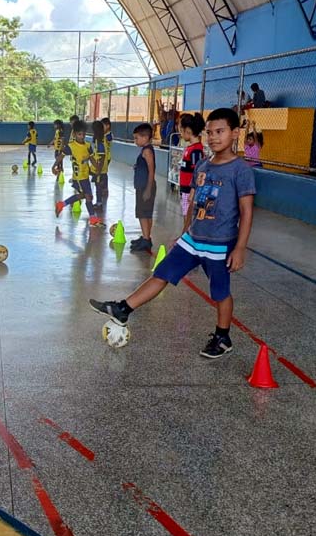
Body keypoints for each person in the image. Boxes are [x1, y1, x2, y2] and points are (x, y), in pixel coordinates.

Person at [90, 108, 255, 359]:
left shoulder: (240, 170)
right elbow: (196, 202)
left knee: (220, 292)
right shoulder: (203, 164)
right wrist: (184, 231)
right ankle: (123, 308)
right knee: (161, 273)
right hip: (192, 239)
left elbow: (246, 211)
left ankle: (223, 337)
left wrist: (240, 247)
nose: (213, 137)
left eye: (220, 132)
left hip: (219, 244)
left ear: (234, 133)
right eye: (209, 132)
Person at [55, 120, 104, 227]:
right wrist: (54, 166)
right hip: (78, 177)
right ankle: (92, 218)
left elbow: (91, 158)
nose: (82, 136)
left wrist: (98, 169)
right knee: (88, 197)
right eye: (79, 134)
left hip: (85, 176)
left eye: (84, 134)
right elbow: (61, 156)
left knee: (82, 196)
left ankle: (61, 204)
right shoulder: (71, 146)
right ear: (74, 134)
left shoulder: (87, 145)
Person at [129, 122, 156, 252]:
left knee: (143, 214)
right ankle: (146, 237)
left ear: (145, 138)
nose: (135, 141)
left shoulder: (147, 151)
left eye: (137, 138)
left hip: (145, 187)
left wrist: (148, 189)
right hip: (142, 186)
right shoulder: (145, 150)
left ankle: (146, 239)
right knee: (144, 213)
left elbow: (151, 170)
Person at [178, 112, 206, 217]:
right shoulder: (190, 148)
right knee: (186, 214)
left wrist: (193, 191)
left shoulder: (196, 150)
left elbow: (198, 172)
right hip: (185, 189)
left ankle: (187, 233)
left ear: (188, 131)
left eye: (181, 131)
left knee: (188, 216)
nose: (180, 133)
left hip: (190, 190)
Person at [91, 120, 111, 212]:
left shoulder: (100, 142)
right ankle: (98, 203)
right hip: (97, 168)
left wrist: (98, 171)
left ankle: (99, 204)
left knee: (98, 187)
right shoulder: (98, 140)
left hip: (100, 169)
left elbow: (102, 157)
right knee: (97, 186)